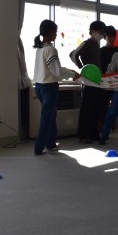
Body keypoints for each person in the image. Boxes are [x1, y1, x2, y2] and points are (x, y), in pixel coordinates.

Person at [32, 20, 79, 156]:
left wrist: (70, 72)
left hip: (39, 86)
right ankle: (39, 148)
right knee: (47, 117)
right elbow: (57, 72)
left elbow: (53, 69)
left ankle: (51, 144)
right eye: (55, 32)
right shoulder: (50, 49)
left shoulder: (40, 49)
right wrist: (72, 74)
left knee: (51, 115)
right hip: (49, 87)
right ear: (50, 32)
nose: (56, 34)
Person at [71, 20, 106, 143]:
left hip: (98, 81)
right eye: (100, 32)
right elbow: (73, 55)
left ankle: (93, 133)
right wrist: (82, 69)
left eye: (103, 33)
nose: (102, 35)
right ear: (93, 31)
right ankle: (83, 135)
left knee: (96, 107)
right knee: (87, 108)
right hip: (88, 81)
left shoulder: (96, 45)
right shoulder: (86, 43)